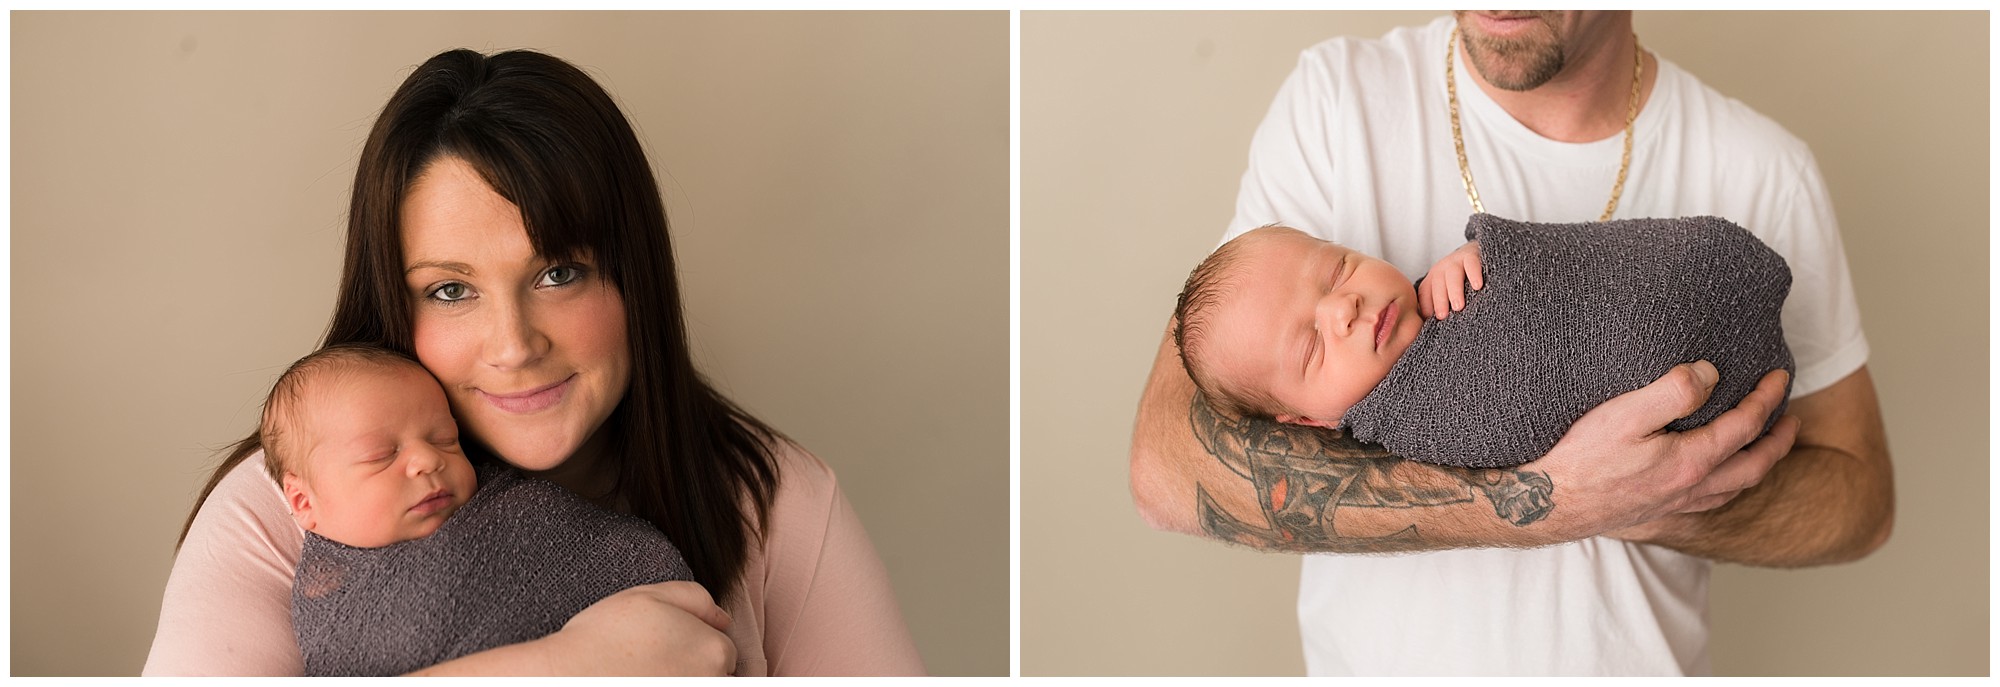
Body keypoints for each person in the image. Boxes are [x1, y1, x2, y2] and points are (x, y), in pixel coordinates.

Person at [1129, 11, 1893, 676]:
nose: (1345, 308)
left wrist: (1665, 499)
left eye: (1337, 272)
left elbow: (1861, 501)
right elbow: (1168, 466)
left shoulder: (1762, 168)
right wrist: (1556, 500)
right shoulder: (1336, 102)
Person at [145, 48, 924, 677]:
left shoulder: (775, 498)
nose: (514, 344)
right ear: (395, 304)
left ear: (632, 276)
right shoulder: (293, 504)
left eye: (559, 273)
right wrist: (566, 666)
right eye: (451, 289)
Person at [1173, 214, 1793, 468]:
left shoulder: (1432, 296)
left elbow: (1557, 273)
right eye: (1312, 347)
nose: (1345, 308)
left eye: (1337, 269)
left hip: (1686, 279)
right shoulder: (1415, 424)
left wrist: (1477, 259)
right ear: (1305, 420)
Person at [255, 344, 694, 676]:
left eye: (446, 439)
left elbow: (614, 555)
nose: (428, 461)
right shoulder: (328, 599)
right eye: (381, 456)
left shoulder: (514, 513)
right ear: (303, 502)